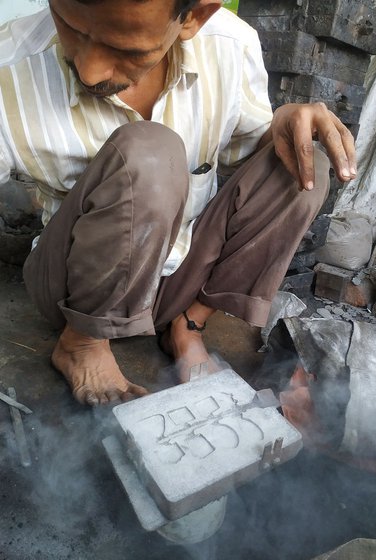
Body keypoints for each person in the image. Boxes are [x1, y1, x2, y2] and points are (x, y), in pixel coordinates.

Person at [0, 0, 356, 405]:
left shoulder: (230, 44)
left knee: (303, 165)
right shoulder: (9, 66)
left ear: (193, 17)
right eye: (70, 26)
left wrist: (283, 121)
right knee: (152, 149)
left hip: (179, 278)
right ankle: (83, 343)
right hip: (73, 284)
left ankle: (188, 325)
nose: (89, 71)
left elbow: (249, 157)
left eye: (128, 50)